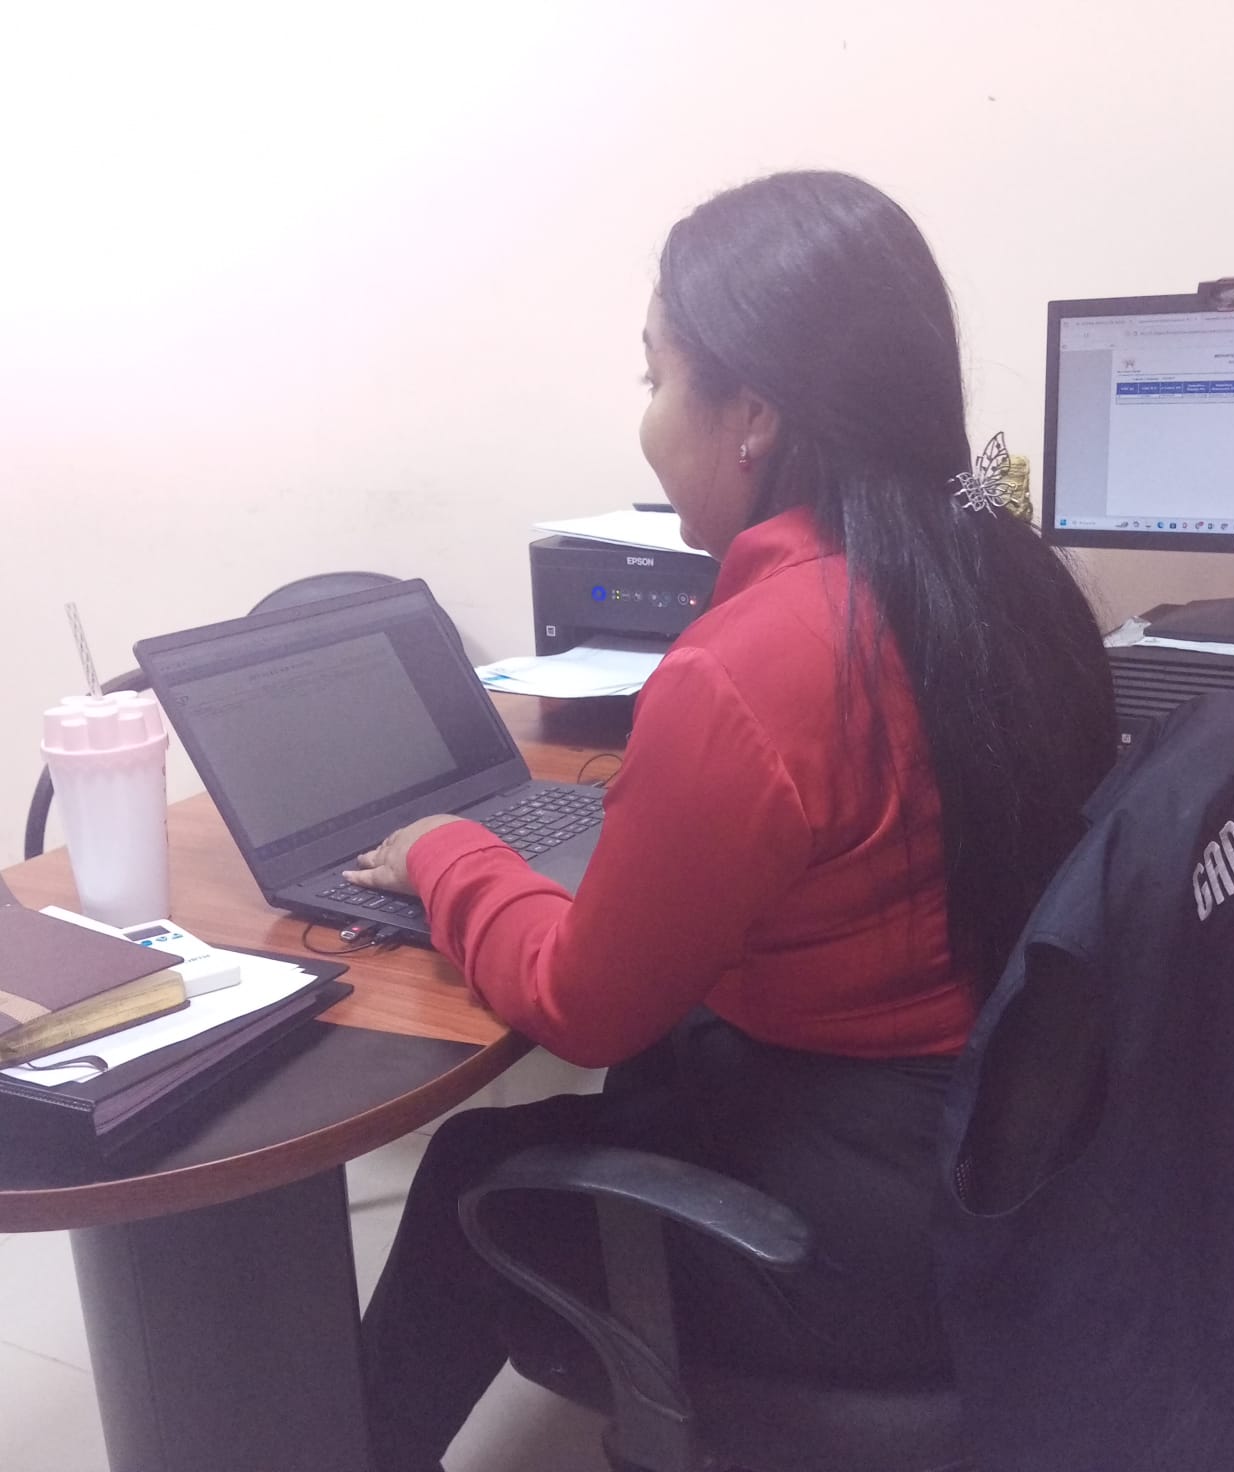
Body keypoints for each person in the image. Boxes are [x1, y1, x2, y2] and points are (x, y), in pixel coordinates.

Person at [350, 169, 1117, 1471]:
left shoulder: (753, 664)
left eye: (655, 377)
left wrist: (447, 853)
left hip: (865, 1226)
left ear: (752, 413)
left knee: (474, 1169)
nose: (648, 418)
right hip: (992, 1155)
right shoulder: (1005, 569)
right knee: (663, 1057)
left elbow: (581, 1004)